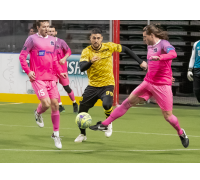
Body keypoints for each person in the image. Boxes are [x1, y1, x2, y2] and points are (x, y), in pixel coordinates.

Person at [90, 24, 189, 148]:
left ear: (151, 35)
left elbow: (173, 54)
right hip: (148, 82)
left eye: (145, 37)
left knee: (168, 117)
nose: (143, 39)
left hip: (162, 86)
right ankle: (104, 124)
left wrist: (160, 58)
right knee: (127, 103)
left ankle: (181, 132)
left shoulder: (164, 44)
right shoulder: (149, 46)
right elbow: (154, 67)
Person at [74, 28, 148, 142]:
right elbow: (82, 67)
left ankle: (108, 123)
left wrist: (140, 62)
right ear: (90, 39)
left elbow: (126, 49)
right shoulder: (86, 51)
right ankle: (82, 134)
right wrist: (91, 61)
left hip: (107, 84)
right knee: (82, 109)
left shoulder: (109, 46)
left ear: (101, 39)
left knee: (107, 104)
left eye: (98, 38)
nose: (96, 40)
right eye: (94, 38)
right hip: (93, 85)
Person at [19, 20, 67, 149]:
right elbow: (22, 57)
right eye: (44, 26)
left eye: (47, 26)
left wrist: (60, 72)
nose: (46, 28)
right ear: (38, 27)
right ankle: (38, 113)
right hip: (38, 78)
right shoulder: (31, 39)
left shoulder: (53, 40)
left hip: (51, 77)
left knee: (55, 104)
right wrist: (28, 71)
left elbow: (54, 59)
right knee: (46, 103)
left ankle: (56, 134)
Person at [48, 26, 78, 113]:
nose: (51, 33)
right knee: (54, 87)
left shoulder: (61, 42)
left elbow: (69, 51)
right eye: (49, 31)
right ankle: (60, 105)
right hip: (52, 70)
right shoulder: (45, 44)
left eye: (52, 31)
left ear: (55, 32)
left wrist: (64, 58)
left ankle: (74, 103)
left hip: (62, 69)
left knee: (66, 88)